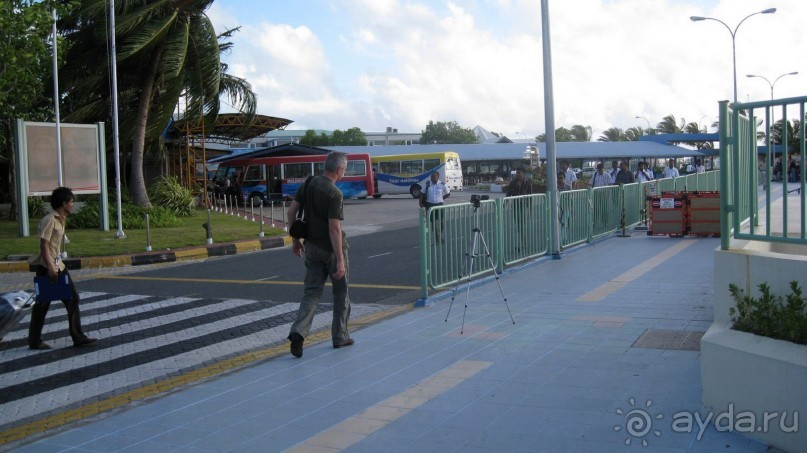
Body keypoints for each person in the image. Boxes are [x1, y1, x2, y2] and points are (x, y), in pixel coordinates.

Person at [286, 152, 353, 358]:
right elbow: (334, 229)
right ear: (339, 170)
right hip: (331, 250)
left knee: (311, 293)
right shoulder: (335, 193)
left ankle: (298, 332)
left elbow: (292, 212)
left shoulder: (308, 183)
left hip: (311, 248)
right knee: (340, 293)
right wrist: (340, 260)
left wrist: (295, 240)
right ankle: (340, 336)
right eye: (345, 169)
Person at [27, 187, 97, 350]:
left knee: (72, 299)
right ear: (64, 203)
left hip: (58, 265)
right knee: (42, 304)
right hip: (48, 267)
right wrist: (51, 268)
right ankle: (34, 340)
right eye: (71, 202)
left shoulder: (60, 219)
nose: (73, 205)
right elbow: (43, 245)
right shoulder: (50, 220)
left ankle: (78, 337)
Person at [419, 171, 451, 243]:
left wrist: (442, 198)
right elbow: (421, 193)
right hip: (429, 205)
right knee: (434, 222)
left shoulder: (442, 184)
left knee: (441, 222)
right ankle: (437, 237)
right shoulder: (427, 184)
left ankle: (439, 235)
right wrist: (420, 203)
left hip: (439, 205)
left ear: (438, 177)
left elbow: (448, 194)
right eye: (431, 177)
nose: (432, 178)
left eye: (434, 177)